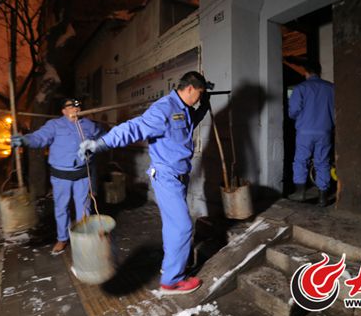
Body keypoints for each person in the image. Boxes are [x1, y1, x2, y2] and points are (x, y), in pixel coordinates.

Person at [78, 71, 211, 295]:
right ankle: (172, 281)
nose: (199, 98)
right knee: (183, 227)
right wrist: (100, 143)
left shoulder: (184, 109)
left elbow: (188, 125)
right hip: (167, 177)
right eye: (199, 93)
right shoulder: (164, 108)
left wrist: (203, 107)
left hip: (180, 176)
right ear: (190, 89)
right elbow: (134, 127)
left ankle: (172, 266)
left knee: (173, 227)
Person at [11, 98, 104, 255]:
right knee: (61, 207)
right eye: (71, 106)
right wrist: (25, 140)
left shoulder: (89, 124)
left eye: (78, 106)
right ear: (64, 111)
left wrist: (97, 145)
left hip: (82, 174)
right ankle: (62, 238)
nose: (75, 109)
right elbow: (39, 138)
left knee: (84, 207)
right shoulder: (54, 125)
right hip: (61, 176)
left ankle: (84, 237)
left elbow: (104, 138)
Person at [286, 58, 335, 207]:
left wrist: (300, 117)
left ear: (305, 72)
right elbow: (336, 111)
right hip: (325, 131)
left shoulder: (300, 88)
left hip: (305, 131)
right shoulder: (331, 88)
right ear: (319, 72)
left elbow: (293, 111)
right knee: (323, 162)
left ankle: (300, 193)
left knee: (301, 160)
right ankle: (323, 197)